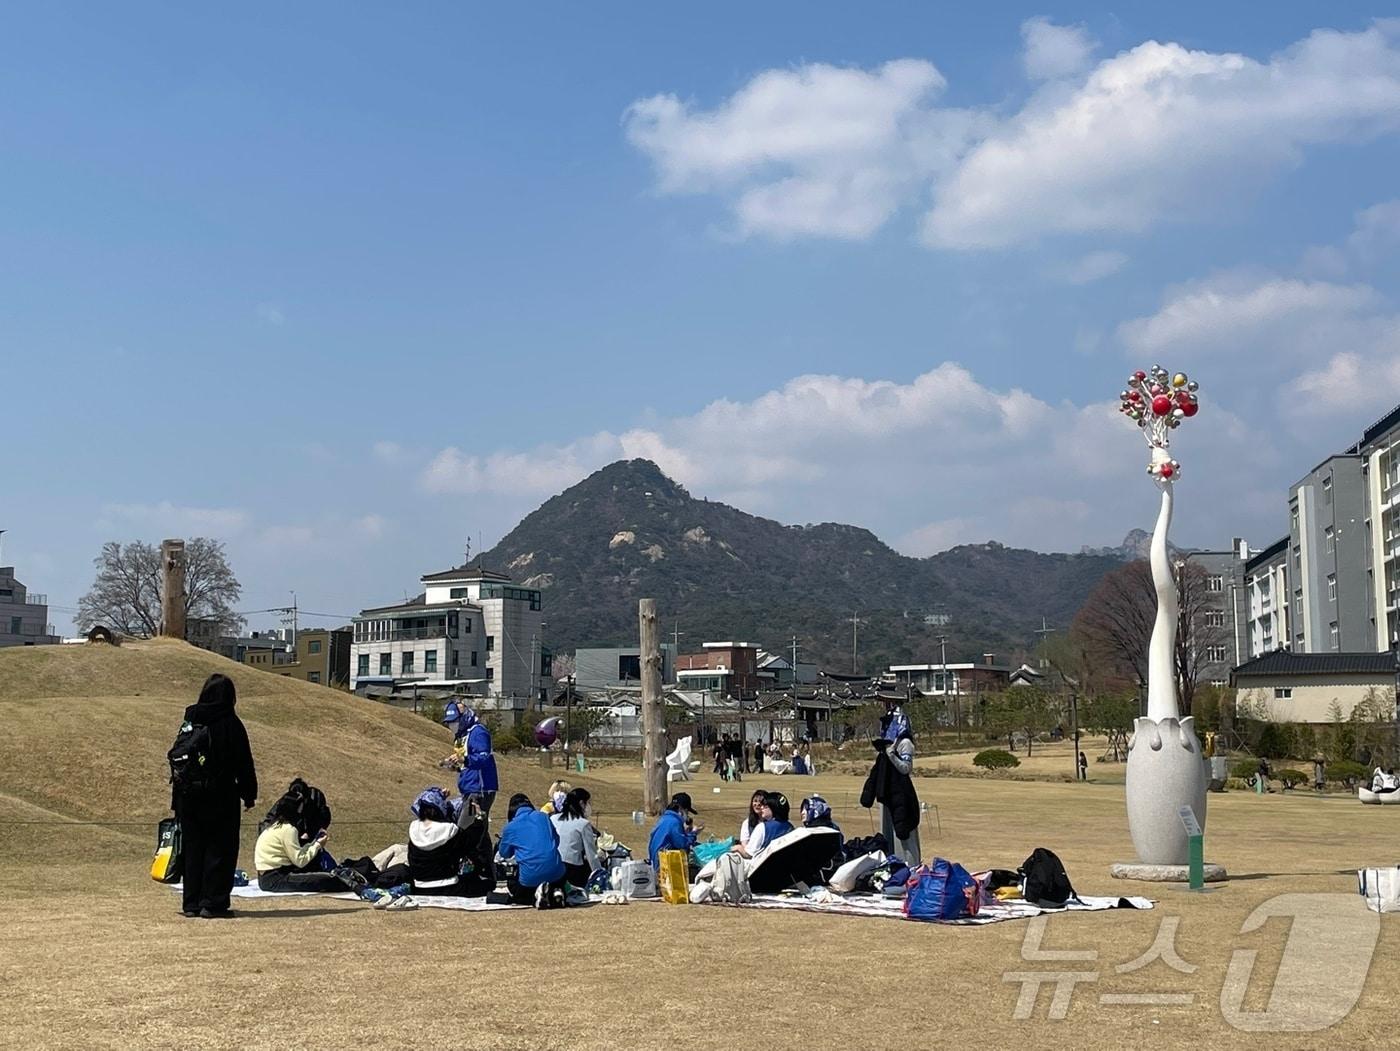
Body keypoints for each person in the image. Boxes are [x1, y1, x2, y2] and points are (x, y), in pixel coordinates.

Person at [172, 673, 258, 919]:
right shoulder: (230, 722)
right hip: (221, 795)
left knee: (193, 849)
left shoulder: (190, 718)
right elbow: (244, 762)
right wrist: (248, 794)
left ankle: (191, 903)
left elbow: (179, 758)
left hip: (188, 796)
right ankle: (213, 903)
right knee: (220, 849)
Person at [254, 803, 366, 895]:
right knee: (325, 880)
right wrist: (317, 845)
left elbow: (297, 854)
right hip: (276, 878)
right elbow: (300, 861)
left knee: (316, 875)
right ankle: (352, 882)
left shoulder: (275, 826)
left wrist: (313, 843)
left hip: (267, 876)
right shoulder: (289, 829)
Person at [860, 704, 921, 865]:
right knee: (887, 834)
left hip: (901, 794)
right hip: (886, 794)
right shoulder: (884, 747)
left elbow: (906, 768)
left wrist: (892, 755)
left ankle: (910, 866)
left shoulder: (905, 743)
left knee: (903, 833)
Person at [407, 787, 494, 897]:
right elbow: (471, 841)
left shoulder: (414, 829)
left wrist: (439, 795)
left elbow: (424, 798)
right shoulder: (449, 831)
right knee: (488, 884)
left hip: (420, 887)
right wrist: (480, 816)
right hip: (448, 886)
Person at [497, 793, 567, 907]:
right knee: (557, 874)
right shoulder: (543, 817)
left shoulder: (510, 827)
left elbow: (504, 853)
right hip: (557, 872)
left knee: (515, 887)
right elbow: (556, 840)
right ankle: (555, 892)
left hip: (529, 878)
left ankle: (537, 895)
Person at [448, 704, 498, 819]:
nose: (452, 725)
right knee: (478, 831)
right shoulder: (462, 734)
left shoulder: (478, 732)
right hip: (468, 787)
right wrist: (456, 766)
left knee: (469, 829)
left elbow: (484, 758)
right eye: (450, 722)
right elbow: (466, 761)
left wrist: (464, 759)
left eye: (455, 721)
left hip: (480, 789)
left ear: (464, 716)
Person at [551, 787, 601, 889]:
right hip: (571, 870)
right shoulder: (583, 824)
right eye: (588, 803)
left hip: (553, 866)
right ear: (582, 803)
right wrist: (599, 874)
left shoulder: (553, 818)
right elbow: (591, 855)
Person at [648, 792, 702, 871]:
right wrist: (693, 833)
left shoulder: (665, 819)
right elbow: (682, 844)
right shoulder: (674, 822)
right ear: (681, 809)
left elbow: (674, 839)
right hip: (663, 868)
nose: (687, 815)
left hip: (656, 863)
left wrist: (686, 833)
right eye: (687, 811)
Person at [733, 792, 793, 860]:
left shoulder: (763, 827)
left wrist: (738, 848)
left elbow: (748, 854)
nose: (762, 808)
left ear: (773, 809)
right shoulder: (790, 827)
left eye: (765, 806)